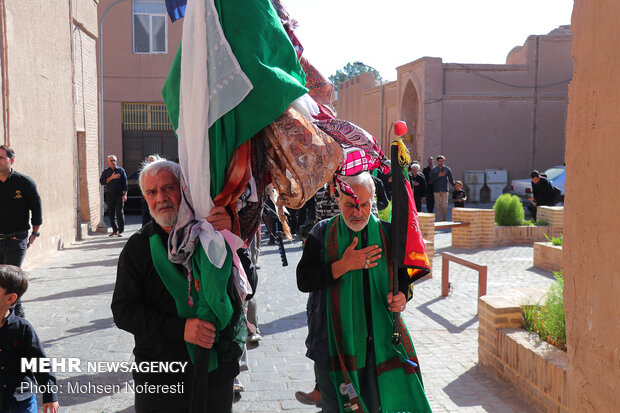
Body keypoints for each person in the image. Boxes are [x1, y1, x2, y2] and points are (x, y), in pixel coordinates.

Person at [111, 159, 240, 412]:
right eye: (151, 192)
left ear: (183, 189)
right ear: (145, 198)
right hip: (161, 375)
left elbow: (248, 287)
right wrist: (180, 329)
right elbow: (124, 312)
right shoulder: (138, 248)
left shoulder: (211, 234)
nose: (161, 197)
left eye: (168, 188)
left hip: (215, 371)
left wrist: (229, 234)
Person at [297, 173, 431, 413]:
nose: (358, 212)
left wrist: (402, 296)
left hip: (379, 348)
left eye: (365, 204)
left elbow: (404, 280)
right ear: (338, 201)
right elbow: (304, 280)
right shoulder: (320, 233)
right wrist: (343, 265)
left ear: (373, 201)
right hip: (331, 347)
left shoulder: (389, 234)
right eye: (350, 205)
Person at [0, 265, 60, 413]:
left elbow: (40, 362)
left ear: (11, 298)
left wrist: (50, 395)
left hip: (20, 401)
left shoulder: (22, 328)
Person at [0, 145, 42, 318]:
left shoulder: (24, 183)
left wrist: (35, 233)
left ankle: (15, 314)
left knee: (11, 275)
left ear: (12, 160)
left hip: (16, 238)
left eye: (1, 157)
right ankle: (14, 309)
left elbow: (37, 209)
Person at [99, 155, 128, 237]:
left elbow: (125, 184)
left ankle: (120, 231)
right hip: (109, 194)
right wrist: (111, 177)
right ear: (108, 162)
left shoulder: (121, 170)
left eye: (114, 160)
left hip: (119, 194)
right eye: (111, 160)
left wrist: (125, 195)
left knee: (119, 212)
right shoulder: (106, 172)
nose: (113, 162)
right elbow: (102, 182)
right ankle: (114, 230)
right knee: (111, 213)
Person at [428, 155, 455, 221]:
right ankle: (439, 219)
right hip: (436, 190)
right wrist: (438, 176)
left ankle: (444, 219)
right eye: (440, 161)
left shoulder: (447, 169)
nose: (442, 162)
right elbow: (430, 180)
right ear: (437, 161)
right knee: (438, 206)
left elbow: (451, 179)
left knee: (444, 206)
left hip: (445, 189)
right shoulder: (433, 169)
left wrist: (455, 186)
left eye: (443, 161)